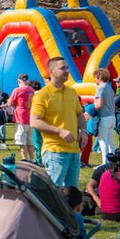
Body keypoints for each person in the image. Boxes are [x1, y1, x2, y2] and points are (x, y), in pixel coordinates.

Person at [31, 57, 87, 189]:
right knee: (54, 193)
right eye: (63, 68)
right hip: (55, 151)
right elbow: (34, 122)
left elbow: (79, 114)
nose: (67, 71)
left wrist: (83, 130)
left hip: (74, 150)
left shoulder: (72, 92)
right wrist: (59, 131)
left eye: (67, 68)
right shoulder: (42, 95)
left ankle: (69, 211)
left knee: (72, 194)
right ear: (51, 71)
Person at [9, 73, 37, 162]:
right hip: (30, 116)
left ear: (19, 81)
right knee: (30, 140)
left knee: (21, 140)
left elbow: (10, 102)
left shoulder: (17, 90)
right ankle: (32, 159)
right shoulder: (32, 90)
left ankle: (25, 159)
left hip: (21, 117)